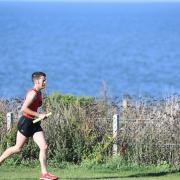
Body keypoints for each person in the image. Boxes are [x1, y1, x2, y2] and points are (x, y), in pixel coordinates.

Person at [0, 72, 58, 180]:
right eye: (43, 80)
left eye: (45, 80)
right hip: (26, 123)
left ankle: (44, 174)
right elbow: (24, 109)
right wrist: (38, 114)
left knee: (44, 146)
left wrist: (40, 116)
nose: (45, 82)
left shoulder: (39, 93)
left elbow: (34, 108)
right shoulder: (33, 93)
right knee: (17, 148)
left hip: (35, 123)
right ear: (37, 81)